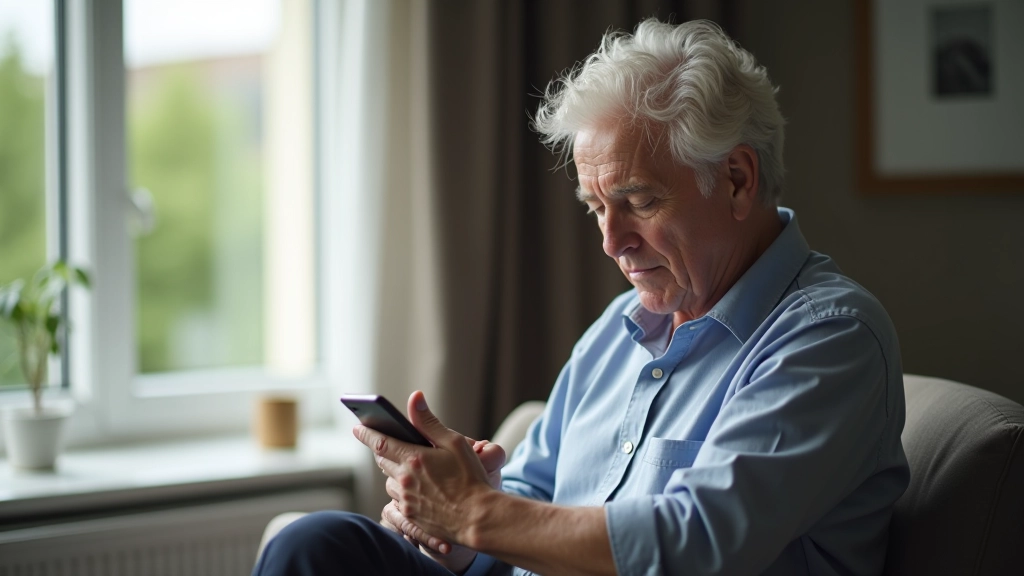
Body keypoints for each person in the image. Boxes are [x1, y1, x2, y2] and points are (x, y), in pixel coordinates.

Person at [254, 18, 909, 576]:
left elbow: (700, 540)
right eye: (596, 208)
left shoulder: (831, 338)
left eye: (639, 202)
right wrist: (458, 523)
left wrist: (478, 512)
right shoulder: (619, 327)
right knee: (313, 544)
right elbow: (535, 495)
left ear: (737, 179)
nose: (612, 241)